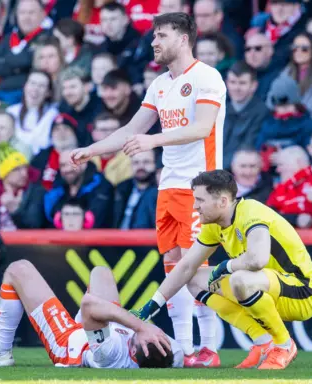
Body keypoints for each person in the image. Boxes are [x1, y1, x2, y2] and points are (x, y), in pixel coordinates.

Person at [70, 12, 225, 367]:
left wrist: (152, 140)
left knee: (197, 271)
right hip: (168, 187)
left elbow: (202, 128)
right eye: (154, 36)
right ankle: (185, 350)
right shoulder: (159, 85)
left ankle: (210, 349)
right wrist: (92, 150)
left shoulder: (206, 77)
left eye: (161, 35)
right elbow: (130, 129)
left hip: (199, 186)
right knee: (173, 270)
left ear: (184, 38)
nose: (154, 42)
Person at [132, 169, 312, 370]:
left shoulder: (251, 212)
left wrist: (225, 266)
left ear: (222, 202)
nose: (194, 207)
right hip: (267, 290)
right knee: (195, 279)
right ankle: (263, 342)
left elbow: (257, 259)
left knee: (239, 279)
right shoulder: (214, 224)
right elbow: (186, 266)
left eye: (200, 200)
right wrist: (152, 306)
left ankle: (284, 345)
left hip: (302, 293)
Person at [0, 262, 182, 368]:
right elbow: (181, 355)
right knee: (101, 272)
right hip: (99, 329)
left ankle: (0, 354)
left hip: (70, 343)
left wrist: (141, 326)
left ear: (135, 350)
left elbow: (88, 305)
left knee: (18, 269)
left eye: (143, 335)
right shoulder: (172, 353)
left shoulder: (110, 354)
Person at [0, 0, 49, 104]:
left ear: (43, 14)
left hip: (25, 94)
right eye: (22, 13)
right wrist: (17, 68)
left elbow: (26, 61)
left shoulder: (47, 38)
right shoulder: (9, 38)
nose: (26, 17)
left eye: (31, 13)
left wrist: (5, 61)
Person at [0, 143, 45, 230]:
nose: (24, 174)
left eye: (25, 168)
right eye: (16, 169)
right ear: (4, 174)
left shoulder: (36, 192)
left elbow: (35, 225)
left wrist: (15, 210)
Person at [45, 150, 113, 228]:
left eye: (71, 164)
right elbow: (50, 217)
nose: (66, 169)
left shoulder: (101, 185)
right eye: (62, 165)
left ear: (84, 164)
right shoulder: (56, 189)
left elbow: (98, 219)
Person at [255, 74, 312, 150]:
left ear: (296, 103)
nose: (282, 109)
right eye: (278, 105)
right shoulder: (266, 124)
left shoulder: (310, 126)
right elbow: (257, 150)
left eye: (286, 105)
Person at [223, 61, 268, 169]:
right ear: (226, 83)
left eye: (242, 83)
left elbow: (248, 148)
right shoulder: (221, 108)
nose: (236, 88)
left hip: (239, 171)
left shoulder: (262, 112)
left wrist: (215, 168)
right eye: (233, 82)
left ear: (254, 86)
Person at [7, 69, 59, 156]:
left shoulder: (53, 115)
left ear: (48, 93)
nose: (35, 89)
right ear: (25, 86)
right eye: (32, 83)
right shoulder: (11, 112)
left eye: (41, 86)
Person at [30, 114, 80, 190]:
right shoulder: (42, 157)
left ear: (74, 133)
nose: (61, 133)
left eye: (66, 128)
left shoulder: (84, 154)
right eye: (57, 129)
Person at [113, 149, 158, 229]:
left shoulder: (159, 191)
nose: (140, 167)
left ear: (155, 164)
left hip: (147, 240)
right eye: (136, 163)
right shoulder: (121, 188)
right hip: (117, 239)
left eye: (146, 162)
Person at [58, 66, 102, 146]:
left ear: (87, 87)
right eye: (64, 88)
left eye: (72, 87)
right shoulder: (63, 110)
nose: (67, 92)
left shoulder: (101, 108)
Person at [89, 112, 132, 187]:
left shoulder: (131, 158)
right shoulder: (87, 160)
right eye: (104, 130)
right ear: (94, 134)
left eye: (113, 130)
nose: (109, 133)